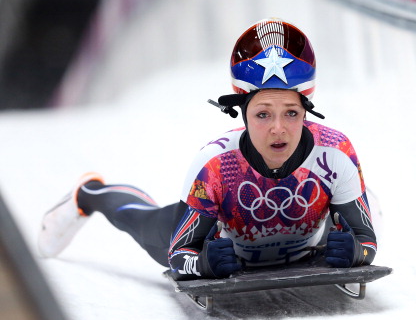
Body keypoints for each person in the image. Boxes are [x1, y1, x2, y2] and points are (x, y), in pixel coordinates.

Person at [38, 18, 377, 279]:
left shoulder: (335, 151)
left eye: (291, 113)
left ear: (307, 111)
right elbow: (178, 254)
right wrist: (203, 262)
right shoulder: (215, 164)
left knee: (358, 197)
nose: (278, 129)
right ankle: (90, 193)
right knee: (135, 218)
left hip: (306, 233)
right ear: (241, 114)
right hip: (211, 227)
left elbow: (367, 240)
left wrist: (354, 251)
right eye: (263, 114)